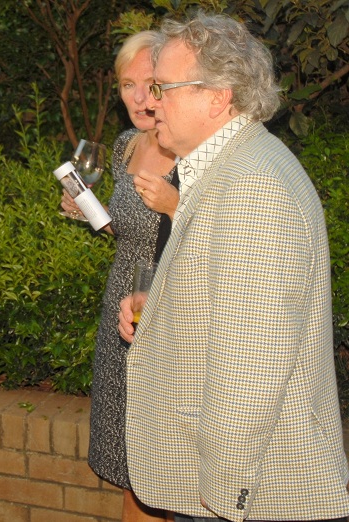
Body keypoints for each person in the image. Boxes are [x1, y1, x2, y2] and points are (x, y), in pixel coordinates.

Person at [118, 13, 349, 522]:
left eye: (163, 87)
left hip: (245, 494)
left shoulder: (252, 188)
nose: (150, 101)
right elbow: (230, 306)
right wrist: (160, 307)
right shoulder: (233, 167)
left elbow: (252, 365)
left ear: (217, 97)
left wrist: (221, 491)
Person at [62, 31, 178, 522]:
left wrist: (176, 203)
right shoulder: (127, 146)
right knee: (130, 464)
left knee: (169, 466)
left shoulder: (194, 152)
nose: (137, 97)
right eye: (127, 84)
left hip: (173, 313)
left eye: (150, 84)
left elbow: (223, 228)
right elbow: (128, 230)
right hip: (121, 308)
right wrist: (89, 209)